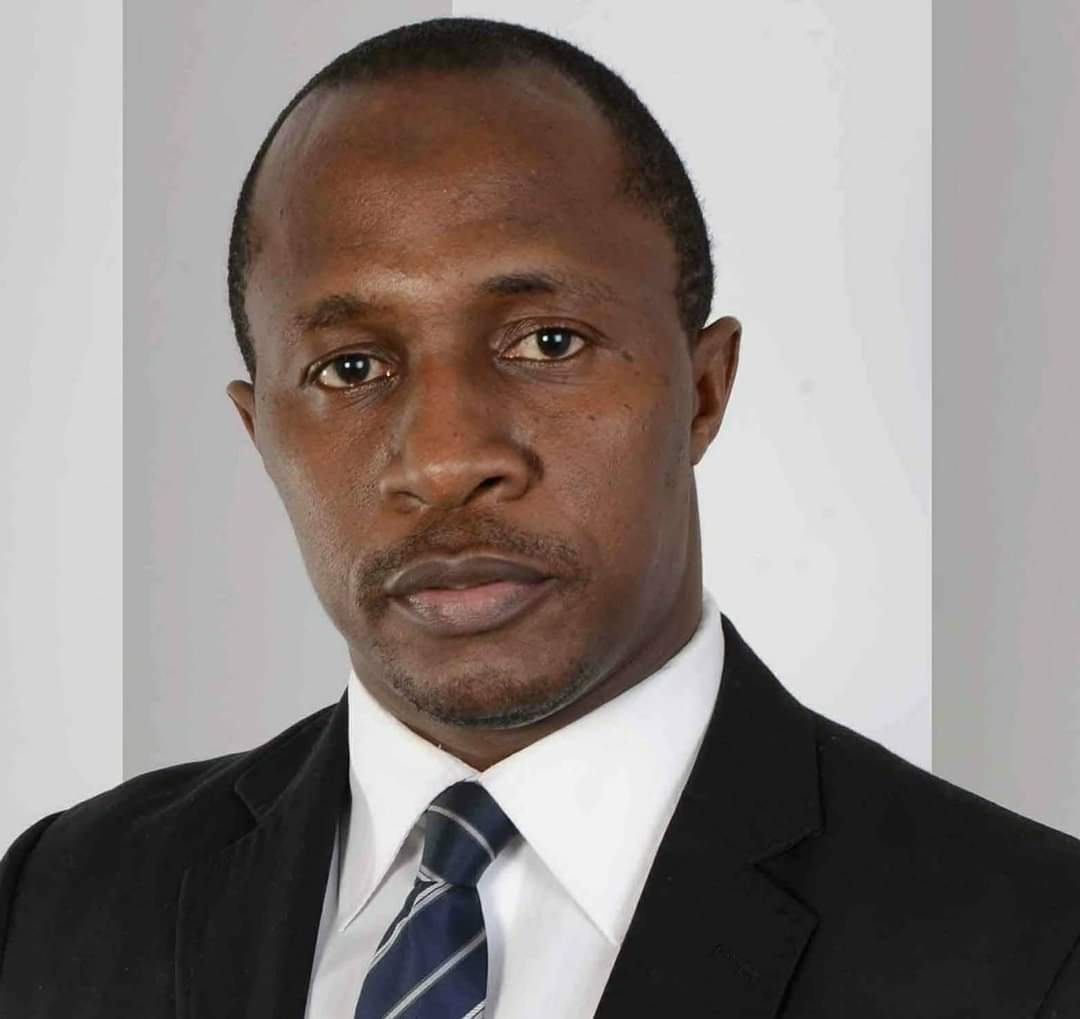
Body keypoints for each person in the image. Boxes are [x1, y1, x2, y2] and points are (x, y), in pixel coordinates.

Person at [2, 16, 1078, 1018]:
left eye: (547, 342)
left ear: (703, 390)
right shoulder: (57, 903)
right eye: (351, 366)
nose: (445, 459)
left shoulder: (1032, 949)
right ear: (260, 435)